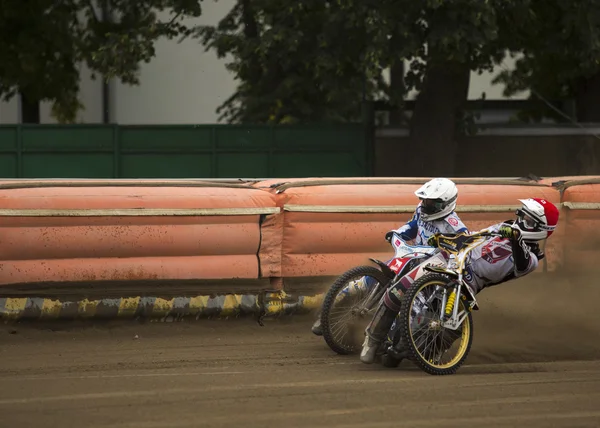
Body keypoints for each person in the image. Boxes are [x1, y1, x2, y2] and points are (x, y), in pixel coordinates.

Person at [359, 197, 560, 364]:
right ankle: (372, 339)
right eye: (521, 214)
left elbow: (522, 262)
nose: (520, 220)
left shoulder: (531, 259)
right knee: (398, 290)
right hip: (450, 258)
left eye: (528, 220)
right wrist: (445, 239)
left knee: (419, 341)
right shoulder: (507, 226)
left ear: (541, 228)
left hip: (468, 283)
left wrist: (516, 238)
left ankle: (425, 351)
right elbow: (474, 237)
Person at [311, 177, 468, 336]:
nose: (426, 205)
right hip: (409, 257)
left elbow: (461, 255)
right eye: (425, 200)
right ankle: (327, 316)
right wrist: (396, 233)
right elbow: (412, 227)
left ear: (446, 203)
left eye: (432, 202)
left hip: (429, 271)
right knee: (361, 283)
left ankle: (387, 338)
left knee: (409, 306)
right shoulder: (421, 210)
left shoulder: (456, 228)